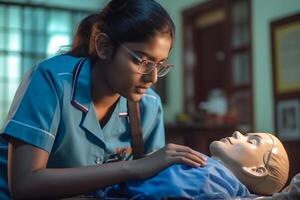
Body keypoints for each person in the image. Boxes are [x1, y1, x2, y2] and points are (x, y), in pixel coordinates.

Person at [0, 0, 207, 199]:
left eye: (160, 64)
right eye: (143, 61)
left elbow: (148, 187)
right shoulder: (52, 80)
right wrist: (132, 168)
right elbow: (24, 184)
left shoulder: (149, 104)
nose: (152, 78)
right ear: (104, 46)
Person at [104, 131, 289, 199]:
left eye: (251, 141)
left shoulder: (212, 184)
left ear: (256, 170)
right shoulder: (209, 171)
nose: (237, 132)